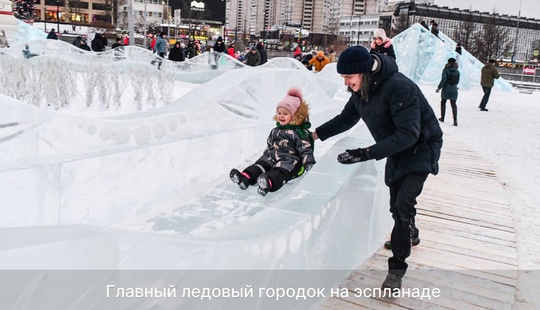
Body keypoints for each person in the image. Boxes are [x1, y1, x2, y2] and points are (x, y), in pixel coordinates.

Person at [311, 46, 442, 291]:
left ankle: (396, 270)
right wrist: (313, 136)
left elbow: (409, 134)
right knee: (396, 206)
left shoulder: (399, 87)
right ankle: (409, 232)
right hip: (396, 147)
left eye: (349, 77)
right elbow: (345, 119)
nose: (346, 83)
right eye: (344, 78)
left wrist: (366, 153)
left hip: (421, 146)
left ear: (364, 73)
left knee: (404, 203)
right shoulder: (362, 90)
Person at [230, 88, 315, 196]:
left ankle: (268, 182)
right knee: (261, 164)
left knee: (281, 170)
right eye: (279, 113)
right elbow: (270, 144)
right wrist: (267, 155)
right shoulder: (275, 130)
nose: (281, 116)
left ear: (294, 116)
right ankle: (246, 177)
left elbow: (305, 149)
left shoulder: (299, 132)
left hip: (290, 159)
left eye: (285, 113)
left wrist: (309, 163)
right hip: (273, 156)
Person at [436, 58, 460, 126]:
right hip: (454, 89)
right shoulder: (457, 71)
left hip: (446, 89)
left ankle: (442, 117)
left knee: (443, 102)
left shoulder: (445, 70)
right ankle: (455, 121)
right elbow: (457, 81)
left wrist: (439, 87)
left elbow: (443, 80)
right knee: (453, 104)